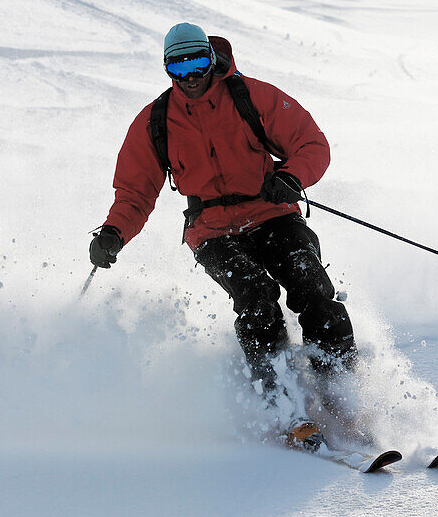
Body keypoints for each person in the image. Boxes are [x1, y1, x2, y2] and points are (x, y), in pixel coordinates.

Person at [90, 22, 357, 402]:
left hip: (271, 212)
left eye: (198, 62)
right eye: (178, 68)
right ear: (167, 70)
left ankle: (344, 390)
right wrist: (113, 232)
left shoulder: (253, 97)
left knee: (311, 286)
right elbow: (134, 191)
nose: (191, 76)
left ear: (212, 57)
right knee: (256, 296)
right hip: (212, 231)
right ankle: (280, 401)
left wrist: (291, 177)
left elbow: (311, 144)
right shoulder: (155, 120)